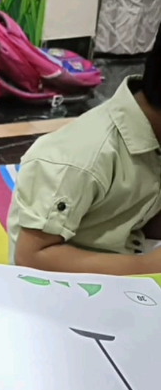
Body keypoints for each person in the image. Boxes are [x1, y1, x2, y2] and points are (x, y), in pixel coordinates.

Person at [8, 22, 161, 275]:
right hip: (56, 287)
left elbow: (143, 217)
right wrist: (144, 267)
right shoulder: (83, 158)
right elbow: (31, 256)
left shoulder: (153, 140)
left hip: (120, 261)